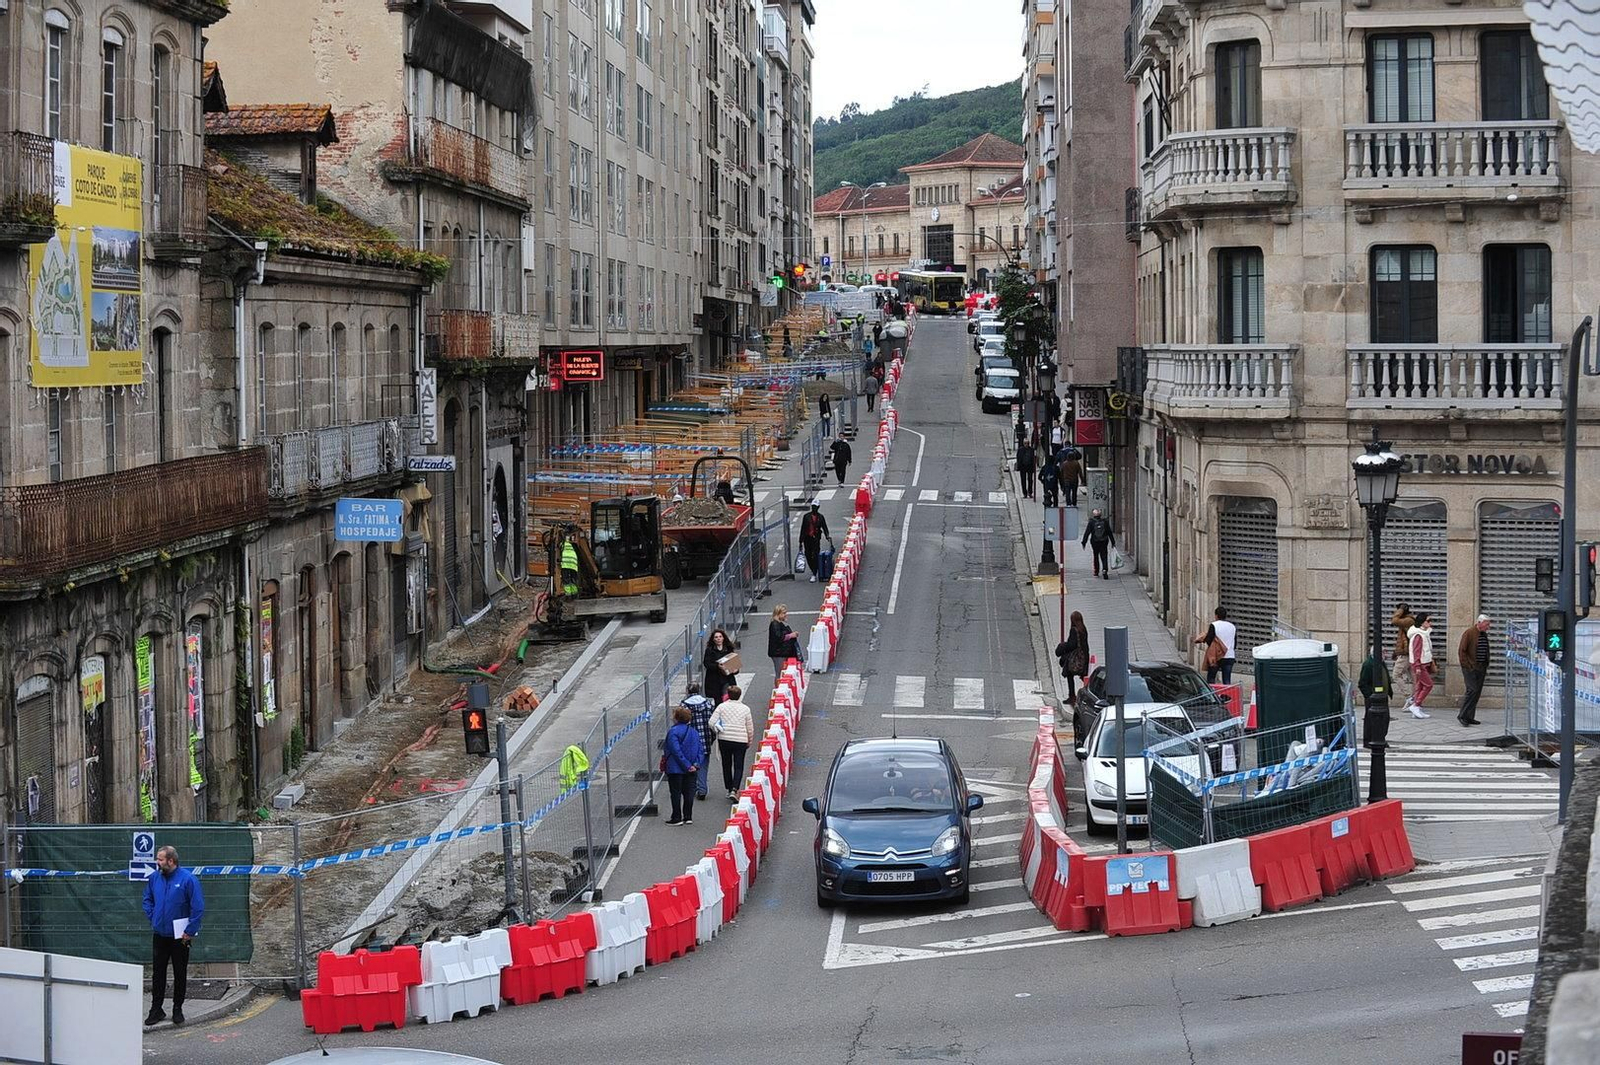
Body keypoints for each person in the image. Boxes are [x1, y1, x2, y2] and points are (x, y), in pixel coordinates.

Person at [142, 845, 204, 1027]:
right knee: (158, 974)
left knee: (180, 972)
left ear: (171, 861)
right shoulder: (154, 878)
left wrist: (190, 931)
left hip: (181, 936)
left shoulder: (188, 880)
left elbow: (198, 907)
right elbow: (147, 899)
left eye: (160, 859)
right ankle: (156, 1009)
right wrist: (152, 916)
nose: (157, 862)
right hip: (160, 934)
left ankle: (178, 1008)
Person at [709, 684, 756, 799]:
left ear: (728, 696)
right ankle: (735, 789)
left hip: (725, 739)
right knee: (738, 765)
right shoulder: (745, 709)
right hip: (740, 739)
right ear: (739, 696)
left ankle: (729, 787)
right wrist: (749, 740)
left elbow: (711, 722)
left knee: (726, 764)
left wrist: (718, 729)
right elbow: (749, 727)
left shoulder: (721, 707)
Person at [662, 705, 704, 825]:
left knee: (676, 793)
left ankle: (676, 817)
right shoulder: (694, 732)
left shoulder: (673, 732)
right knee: (689, 792)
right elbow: (700, 750)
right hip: (692, 767)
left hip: (676, 768)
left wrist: (685, 764)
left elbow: (675, 750)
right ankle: (688, 816)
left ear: (676, 718)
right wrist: (695, 764)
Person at [681, 684, 718, 800]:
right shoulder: (707, 704)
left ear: (688, 691)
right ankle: (702, 788)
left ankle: (694, 787)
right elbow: (712, 721)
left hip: (690, 740)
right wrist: (712, 737)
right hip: (705, 738)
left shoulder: (684, 705)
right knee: (703, 765)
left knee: (691, 764)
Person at [1457, 613, 1492, 727]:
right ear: (1479, 623)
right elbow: (1462, 650)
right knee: (1471, 690)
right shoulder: (1469, 633)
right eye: (1487, 624)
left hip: (1481, 667)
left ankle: (1469, 717)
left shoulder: (1483, 634)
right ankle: (1462, 715)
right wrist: (1467, 665)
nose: (1488, 627)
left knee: (1476, 692)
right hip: (1471, 667)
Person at [1192, 607, 1238, 685]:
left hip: (1215, 657)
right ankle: (1226, 697)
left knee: (1211, 679)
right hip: (1229, 656)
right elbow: (1235, 643)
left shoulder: (1214, 625)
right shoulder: (1232, 626)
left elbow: (1209, 640)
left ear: (1216, 616)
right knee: (1227, 681)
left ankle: (1213, 696)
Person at [1055, 610, 1091, 701]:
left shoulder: (1074, 630)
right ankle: (1090, 693)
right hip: (1084, 657)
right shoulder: (1083, 629)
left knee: (1069, 674)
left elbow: (1072, 645)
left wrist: (1063, 645)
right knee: (1083, 676)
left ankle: (1072, 696)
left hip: (1075, 658)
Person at [1405, 612, 1435, 719]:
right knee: (1428, 685)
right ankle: (1416, 705)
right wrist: (1417, 666)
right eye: (1428, 620)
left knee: (1420, 686)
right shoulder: (1418, 635)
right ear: (1422, 622)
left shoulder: (1424, 633)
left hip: (1423, 663)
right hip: (1420, 664)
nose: (1430, 622)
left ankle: (1416, 710)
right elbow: (1416, 651)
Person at [1390, 603, 1416, 713]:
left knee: (1396, 674)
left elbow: (1394, 621)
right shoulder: (1407, 621)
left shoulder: (1409, 620)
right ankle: (1414, 701)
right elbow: (1402, 639)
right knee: (1413, 677)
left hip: (1406, 654)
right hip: (1406, 653)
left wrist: (1400, 610)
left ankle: (1409, 698)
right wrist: (1396, 652)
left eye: (1399, 611)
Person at [799, 502, 832, 583]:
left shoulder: (820, 517)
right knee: (808, 555)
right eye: (813, 506)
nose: (814, 508)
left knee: (816, 554)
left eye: (816, 507)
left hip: (816, 539)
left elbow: (824, 527)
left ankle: (814, 572)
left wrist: (827, 536)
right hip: (807, 539)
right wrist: (800, 541)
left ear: (818, 507)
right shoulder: (806, 517)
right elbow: (803, 529)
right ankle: (813, 568)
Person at [702, 628, 738, 703]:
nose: (718, 639)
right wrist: (717, 666)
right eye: (716, 637)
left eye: (720, 637)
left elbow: (733, 662)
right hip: (715, 680)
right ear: (713, 639)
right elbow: (707, 663)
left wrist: (735, 670)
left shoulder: (728, 649)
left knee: (728, 699)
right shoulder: (710, 650)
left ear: (723, 638)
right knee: (718, 701)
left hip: (727, 679)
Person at [768, 604, 802, 678]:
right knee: (780, 674)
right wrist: (791, 635)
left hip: (781, 652)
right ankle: (778, 688)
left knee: (781, 672)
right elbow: (779, 637)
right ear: (778, 614)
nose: (785, 615)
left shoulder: (779, 623)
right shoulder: (775, 624)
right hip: (779, 653)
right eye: (783, 613)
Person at [1081, 508, 1115, 579]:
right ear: (1100, 515)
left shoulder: (1091, 522)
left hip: (1095, 541)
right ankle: (1105, 569)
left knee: (1095, 556)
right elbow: (1109, 532)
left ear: (1093, 515)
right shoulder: (1105, 521)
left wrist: (1084, 542)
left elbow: (1087, 533)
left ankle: (1096, 571)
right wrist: (1113, 542)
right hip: (1104, 541)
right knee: (1104, 555)